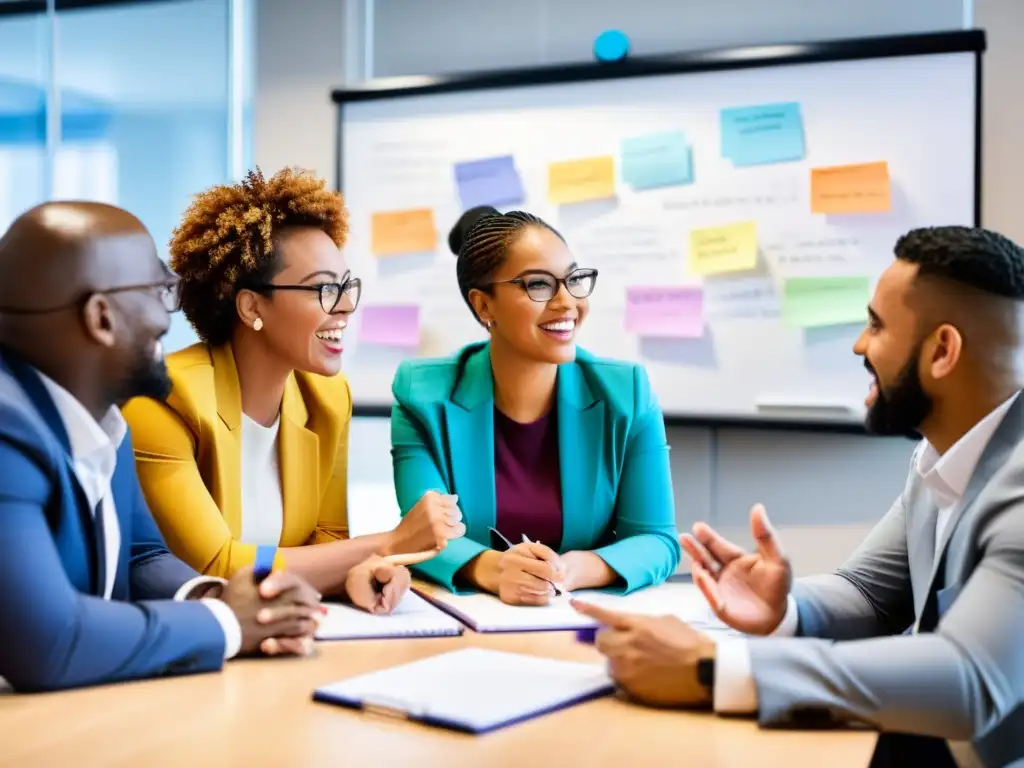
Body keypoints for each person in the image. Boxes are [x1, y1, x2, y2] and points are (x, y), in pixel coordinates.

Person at [573, 226, 1024, 768]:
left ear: (943, 350)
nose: (859, 344)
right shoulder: (938, 458)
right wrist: (783, 608)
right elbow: (871, 593)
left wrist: (715, 668)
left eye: (876, 325)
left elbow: (970, 680)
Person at [0, 201, 323, 693]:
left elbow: (140, 556)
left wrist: (221, 595)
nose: (167, 317)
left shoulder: (105, 419)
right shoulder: (7, 433)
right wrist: (225, 622)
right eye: (159, 291)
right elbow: (48, 642)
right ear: (101, 317)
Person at [122, 168, 462, 611]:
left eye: (345, 286)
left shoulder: (326, 398)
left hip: (285, 631)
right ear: (251, 306)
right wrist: (390, 543)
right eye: (323, 288)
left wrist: (363, 571)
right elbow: (218, 564)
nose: (344, 306)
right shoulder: (164, 400)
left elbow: (326, 540)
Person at [390, 205, 681, 604]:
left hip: (578, 619)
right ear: (483, 305)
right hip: (469, 626)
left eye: (573, 280)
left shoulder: (626, 393)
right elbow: (419, 533)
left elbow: (657, 539)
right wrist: (494, 569)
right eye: (539, 285)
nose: (567, 302)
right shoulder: (422, 395)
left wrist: (571, 569)